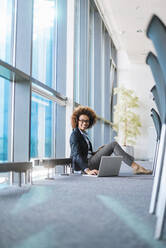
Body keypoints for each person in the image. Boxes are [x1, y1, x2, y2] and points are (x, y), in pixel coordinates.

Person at [70, 106, 152, 176]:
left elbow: (86, 153)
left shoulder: (84, 135)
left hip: (90, 161)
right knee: (113, 144)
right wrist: (87, 171)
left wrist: (97, 152)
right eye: (82, 121)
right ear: (77, 121)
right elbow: (76, 155)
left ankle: (135, 166)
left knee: (109, 146)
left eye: (87, 121)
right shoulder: (75, 135)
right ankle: (136, 167)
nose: (85, 123)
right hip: (85, 166)